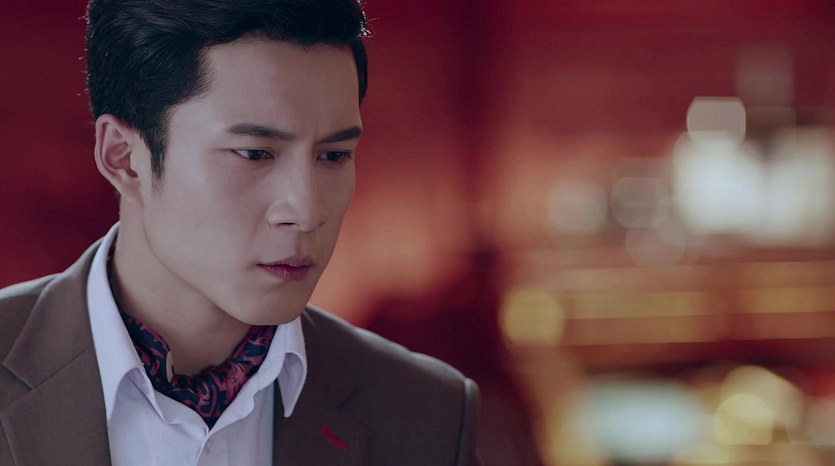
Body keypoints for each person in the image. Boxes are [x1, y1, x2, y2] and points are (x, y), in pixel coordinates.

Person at [0, 1, 480, 465]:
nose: (307, 210)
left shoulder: (426, 415)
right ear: (124, 158)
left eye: (333, 156)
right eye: (254, 153)